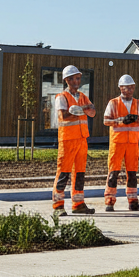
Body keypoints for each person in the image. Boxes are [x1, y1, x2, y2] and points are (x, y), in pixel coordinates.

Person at [53, 64, 96, 215]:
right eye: (72, 79)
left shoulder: (83, 96)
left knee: (79, 173)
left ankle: (78, 204)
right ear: (66, 80)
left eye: (77, 78)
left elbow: (92, 111)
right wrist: (79, 111)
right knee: (63, 173)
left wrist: (81, 109)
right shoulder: (61, 97)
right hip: (68, 139)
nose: (76, 81)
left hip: (82, 139)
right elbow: (63, 116)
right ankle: (58, 206)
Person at [103, 73, 139, 212]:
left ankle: (133, 201)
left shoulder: (138, 103)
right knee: (113, 172)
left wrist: (138, 119)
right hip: (117, 143)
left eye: (131, 88)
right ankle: (109, 201)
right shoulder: (113, 103)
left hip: (132, 144)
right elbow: (106, 121)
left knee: (132, 173)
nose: (129, 90)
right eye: (126, 88)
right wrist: (121, 120)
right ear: (120, 88)